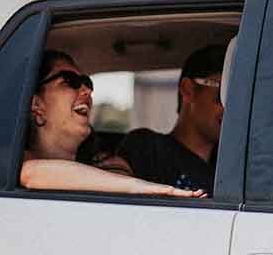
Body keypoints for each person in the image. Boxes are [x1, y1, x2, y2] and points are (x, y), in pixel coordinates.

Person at [20, 50, 204, 197]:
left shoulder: (109, 164)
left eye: (87, 83)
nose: (86, 90)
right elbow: (30, 173)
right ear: (36, 104)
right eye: (71, 82)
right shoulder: (8, 164)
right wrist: (144, 188)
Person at [117, 45, 225, 195]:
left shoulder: (234, 168)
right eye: (224, 94)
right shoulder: (148, 149)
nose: (232, 108)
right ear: (189, 90)